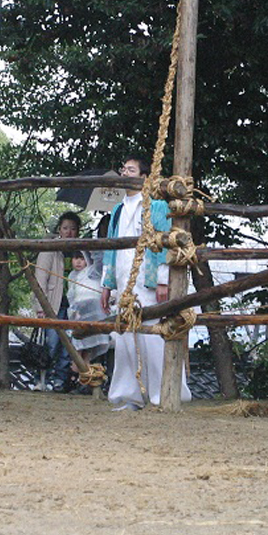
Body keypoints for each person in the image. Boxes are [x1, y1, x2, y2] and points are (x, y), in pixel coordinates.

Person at [100, 155, 192, 409]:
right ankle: (128, 396)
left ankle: (161, 394)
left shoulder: (158, 206)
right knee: (124, 338)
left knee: (153, 335)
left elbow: (164, 241)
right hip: (123, 278)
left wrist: (163, 279)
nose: (125, 174)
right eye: (123, 169)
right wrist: (106, 285)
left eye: (131, 170)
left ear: (143, 177)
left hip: (147, 279)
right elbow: (110, 248)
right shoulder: (117, 210)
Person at [32, 211, 81, 390]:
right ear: (59, 229)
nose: (69, 232)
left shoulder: (81, 250)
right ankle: (41, 379)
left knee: (69, 345)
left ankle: (60, 381)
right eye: (65, 228)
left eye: (73, 229)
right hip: (53, 302)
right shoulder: (50, 248)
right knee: (51, 343)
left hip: (74, 304)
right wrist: (40, 305)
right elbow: (40, 278)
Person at [67, 250, 111, 380]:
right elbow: (71, 295)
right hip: (79, 312)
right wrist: (73, 311)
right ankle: (78, 374)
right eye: (76, 258)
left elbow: (100, 261)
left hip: (93, 312)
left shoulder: (93, 272)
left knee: (88, 347)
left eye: (82, 258)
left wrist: (93, 249)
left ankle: (84, 376)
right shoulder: (72, 275)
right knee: (78, 345)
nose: (79, 262)